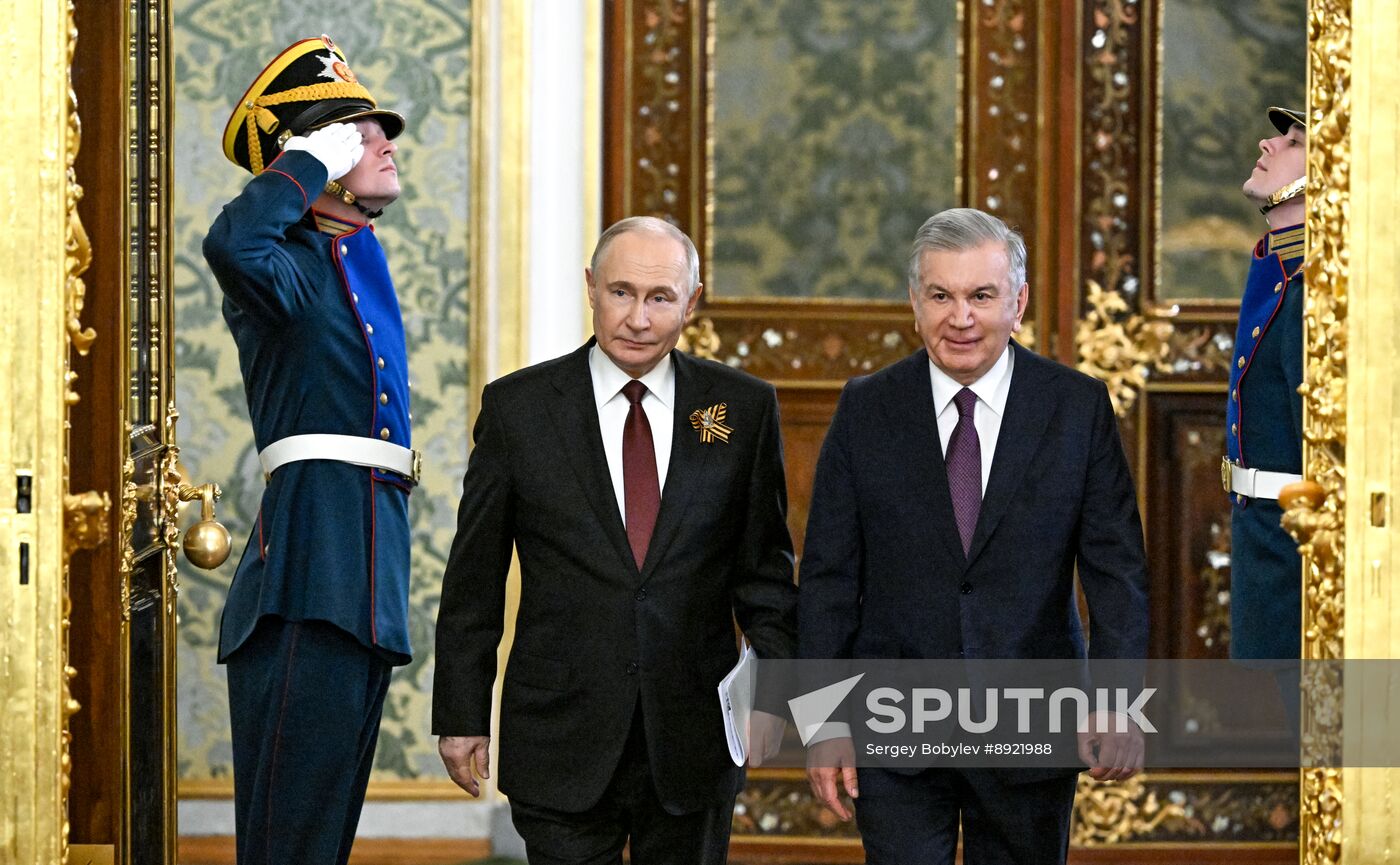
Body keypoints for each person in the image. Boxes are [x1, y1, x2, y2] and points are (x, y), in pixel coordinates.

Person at [433, 217, 798, 864]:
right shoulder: (520, 409)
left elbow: (765, 572)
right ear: (591, 289)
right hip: (559, 734)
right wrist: (461, 712)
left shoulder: (742, 409)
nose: (637, 317)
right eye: (621, 292)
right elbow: (474, 578)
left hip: (693, 742)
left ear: (691, 301)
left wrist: (771, 687)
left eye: (660, 298)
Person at [797, 208, 1150, 865]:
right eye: (941, 295)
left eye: (981, 296)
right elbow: (827, 580)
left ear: (1017, 303)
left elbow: (1116, 570)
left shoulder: (1076, 407)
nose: (961, 317)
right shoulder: (866, 407)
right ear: (914, 302)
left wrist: (1118, 701)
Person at [203, 35, 418, 865]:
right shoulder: (284, 265)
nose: (383, 143)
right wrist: (295, 169)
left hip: (364, 581)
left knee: (322, 843)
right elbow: (232, 245)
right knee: (285, 843)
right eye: (359, 133)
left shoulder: (355, 255)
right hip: (306, 576)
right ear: (317, 155)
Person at [1225, 108, 1307, 720]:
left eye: (1295, 139)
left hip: (1301, 558)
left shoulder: (1315, 288)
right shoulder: (1279, 268)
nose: (1269, 142)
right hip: (1266, 539)